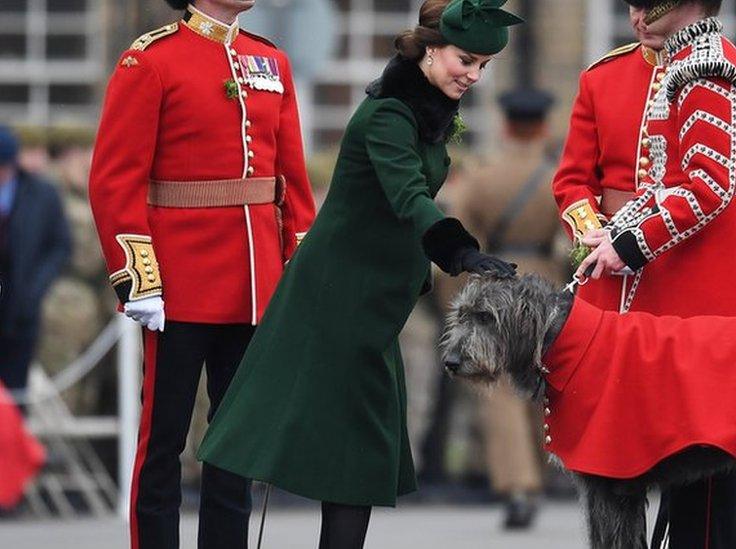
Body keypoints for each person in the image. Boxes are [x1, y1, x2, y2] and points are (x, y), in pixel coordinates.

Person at [197, 1, 522, 547]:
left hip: (370, 301)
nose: (473, 74)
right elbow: (407, 196)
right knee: (316, 441)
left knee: (355, 450)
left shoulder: (424, 110)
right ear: (430, 50)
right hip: (334, 300)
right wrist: (459, 252)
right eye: (466, 59)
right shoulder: (390, 115)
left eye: (483, 66)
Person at [553, 1, 736, 548]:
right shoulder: (607, 75)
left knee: (705, 449)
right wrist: (597, 230)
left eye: (648, 5)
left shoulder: (708, 65)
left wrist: (630, 239)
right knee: (620, 447)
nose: (636, 17)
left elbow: (706, 185)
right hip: (628, 269)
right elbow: (573, 180)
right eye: (632, 6)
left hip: (703, 272)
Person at [87, 0, 317, 547]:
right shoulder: (151, 61)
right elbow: (115, 180)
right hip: (179, 281)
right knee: (163, 440)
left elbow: (293, 182)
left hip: (255, 281)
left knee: (235, 440)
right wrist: (137, 274)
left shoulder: (270, 61)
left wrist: (298, 270)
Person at [443, 87, 564, 529]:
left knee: (500, 392)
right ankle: (553, 470)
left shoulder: (482, 177)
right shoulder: (558, 176)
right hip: (548, 286)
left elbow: (459, 232)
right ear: (544, 128)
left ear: (505, 125)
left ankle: (517, 485)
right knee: (544, 380)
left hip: (494, 283)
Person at [0, 126, 72, 400]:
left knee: (17, 393)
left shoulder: (42, 194)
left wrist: (35, 289)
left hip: (21, 307)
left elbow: (60, 245)